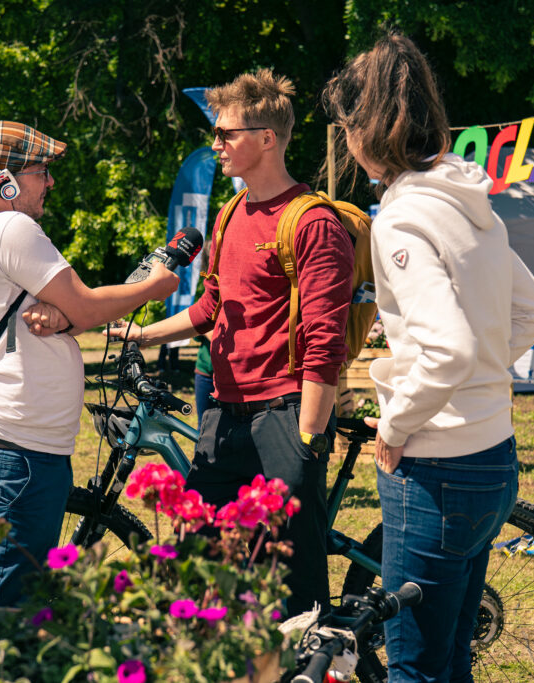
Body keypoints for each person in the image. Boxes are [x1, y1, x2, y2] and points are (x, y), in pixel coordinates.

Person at [322, 33, 534, 682]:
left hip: (435, 466)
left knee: (416, 666)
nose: (345, 142)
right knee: (453, 658)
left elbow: (447, 349)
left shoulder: (401, 218)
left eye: (346, 127)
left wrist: (396, 425)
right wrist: (482, 371)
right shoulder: (471, 206)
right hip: (493, 457)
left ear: (368, 127)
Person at [104, 69, 355, 615]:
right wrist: (142, 334)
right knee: (207, 558)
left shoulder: (311, 222)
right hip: (225, 411)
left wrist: (310, 439)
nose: (215, 144)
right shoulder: (230, 213)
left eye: (226, 134)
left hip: (287, 414)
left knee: (289, 576)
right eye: (215, 134)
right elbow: (211, 307)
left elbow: (324, 339)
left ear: (267, 138)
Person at [0, 120, 178, 606]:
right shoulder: (12, 227)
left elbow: (62, 312)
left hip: (14, 446)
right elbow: (89, 308)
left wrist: (63, 316)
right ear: (6, 182)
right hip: (20, 453)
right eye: (41, 171)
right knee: (5, 604)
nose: (50, 182)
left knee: (13, 592)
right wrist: (158, 286)